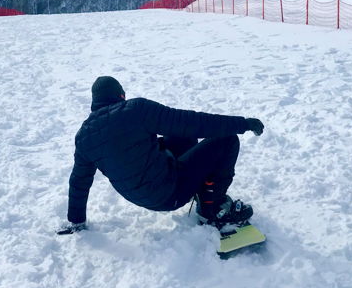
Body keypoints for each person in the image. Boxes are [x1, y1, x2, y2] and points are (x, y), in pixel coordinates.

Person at [62, 76, 264, 233]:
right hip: (169, 193)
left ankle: (202, 189)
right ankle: (213, 209)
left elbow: (79, 181)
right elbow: (192, 122)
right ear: (121, 96)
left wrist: (76, 221)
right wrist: (242, 124)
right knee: (227, 140)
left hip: (145, 197)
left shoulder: (84, 137)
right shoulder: (135, 109)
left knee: (179, 135)